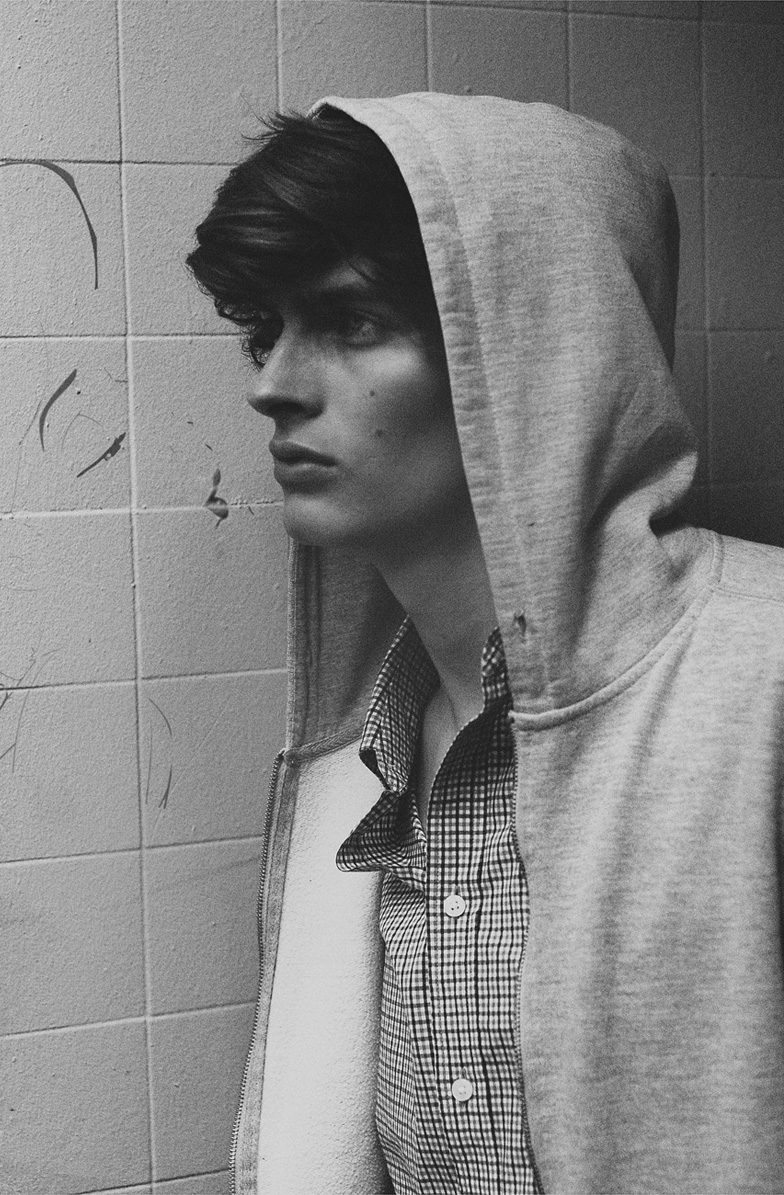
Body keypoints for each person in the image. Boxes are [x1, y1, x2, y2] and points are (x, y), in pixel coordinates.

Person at [187, 94, 784, 1195]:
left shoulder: (762, 672)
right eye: (265, 329)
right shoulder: (359, 759)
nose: (271, 384)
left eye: (351, 321)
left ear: (537, 346)